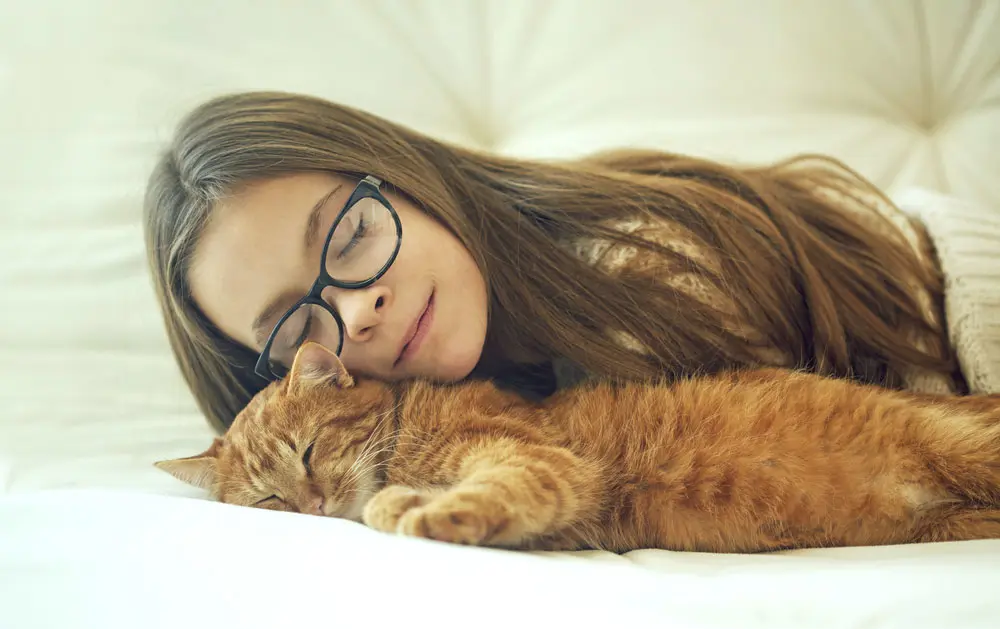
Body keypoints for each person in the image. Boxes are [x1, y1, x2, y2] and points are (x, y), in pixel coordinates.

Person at [144, 91, 997, 435]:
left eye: (352, 235)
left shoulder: (640, 277)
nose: (358, 308)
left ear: (408, 177)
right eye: (298, 323)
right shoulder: (488, 379)